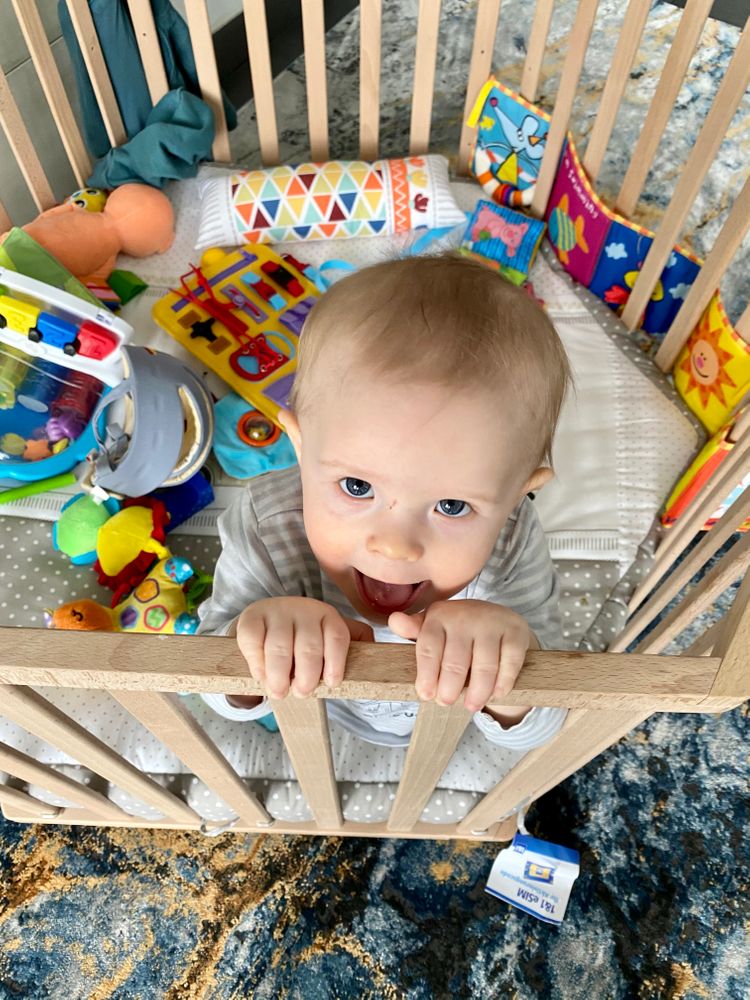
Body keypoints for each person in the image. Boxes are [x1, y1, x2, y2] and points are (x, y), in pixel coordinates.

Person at [198, 253, 572, 749]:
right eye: (357, 487)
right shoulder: (267, 526)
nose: (396, 546)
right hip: (321, 713)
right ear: (301, 447)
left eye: (452, 506)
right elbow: (210, 687)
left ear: (518, 494)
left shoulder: (513, 541)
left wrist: (510, 669)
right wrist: (253, 643)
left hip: (451, 726)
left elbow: (540, 730)